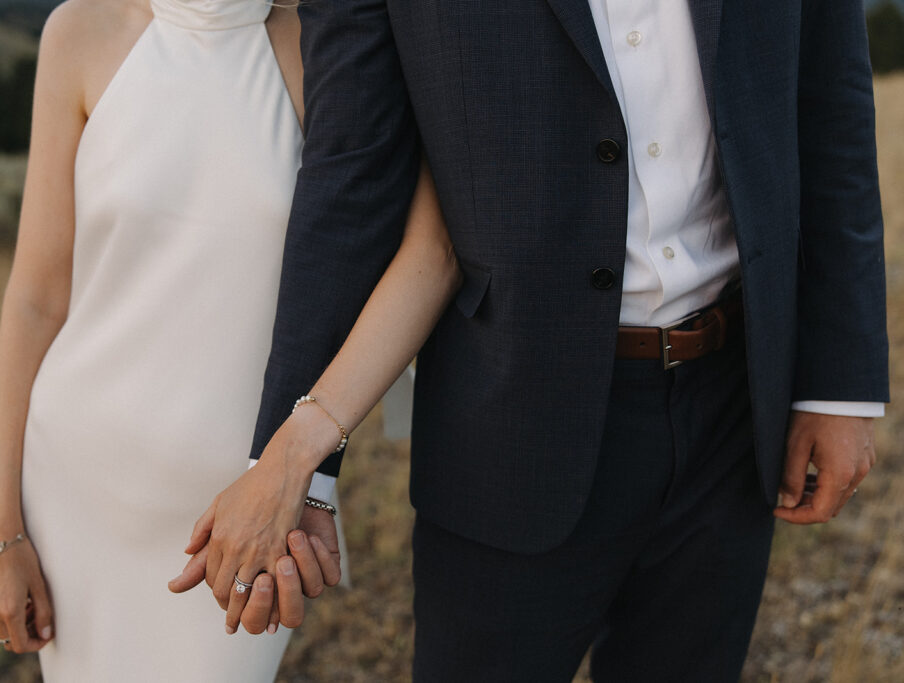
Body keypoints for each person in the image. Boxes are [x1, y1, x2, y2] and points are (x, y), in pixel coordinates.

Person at [198, 0, 889, 680]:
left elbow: (832, 98)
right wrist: (296, 468)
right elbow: (353, 172)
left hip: (734, 401)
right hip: (508, 426)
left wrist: (841, 382)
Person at [0, 0, 459, 679]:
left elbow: (427, 255)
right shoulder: (79, 33)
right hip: (75, 494)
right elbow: (35, 298)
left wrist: (303, 466)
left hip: (242, 511)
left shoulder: (332, 51)